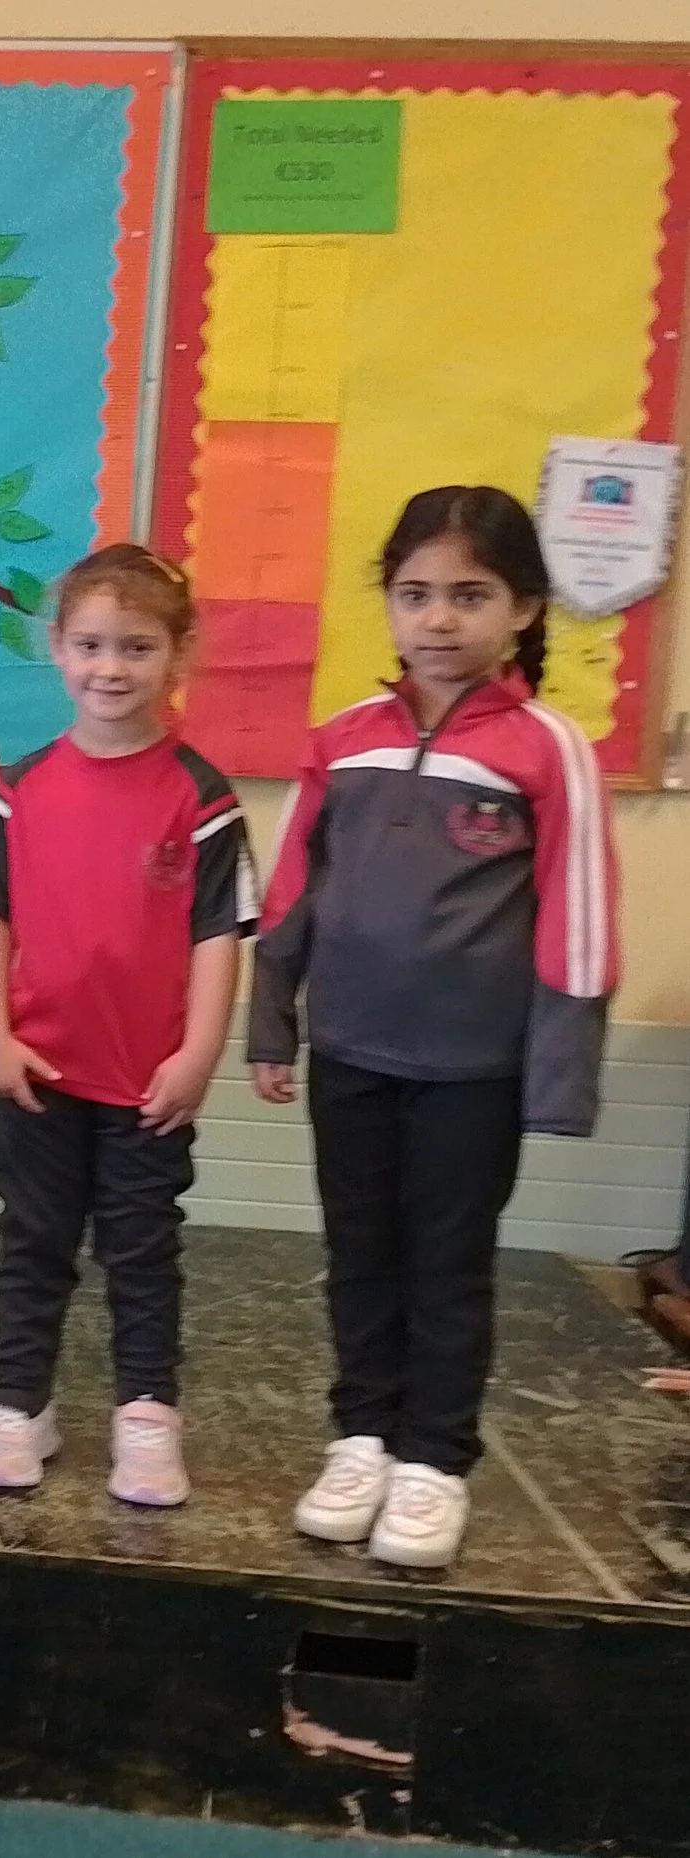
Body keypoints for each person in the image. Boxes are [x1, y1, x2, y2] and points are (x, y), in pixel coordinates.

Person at [251, 486, 616, 1570]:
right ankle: (362, 1434)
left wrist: (557, 1077)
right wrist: (273, 1026)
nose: (438, 619)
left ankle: (433, 1460)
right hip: (351, 1055)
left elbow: (579, 918)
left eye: (469, 594)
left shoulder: (549, 747)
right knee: (359, 1254)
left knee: (446, 1262)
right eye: (414, 595)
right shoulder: (344, 741)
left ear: (525, 610)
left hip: (472, 1068)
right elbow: (288, 897)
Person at [0, 546, 255, 1506]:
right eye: (90, 645)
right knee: (33, 1244)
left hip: (145, 1087)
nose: (110, 668)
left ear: (177, 657)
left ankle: (148, 1414)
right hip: (37, 1072)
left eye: (136, 646)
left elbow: (219, 935)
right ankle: (17, 1404)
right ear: (57, 648)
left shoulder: (202, 800)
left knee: (141, 1250)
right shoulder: (19, 787)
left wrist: (199, 1054)